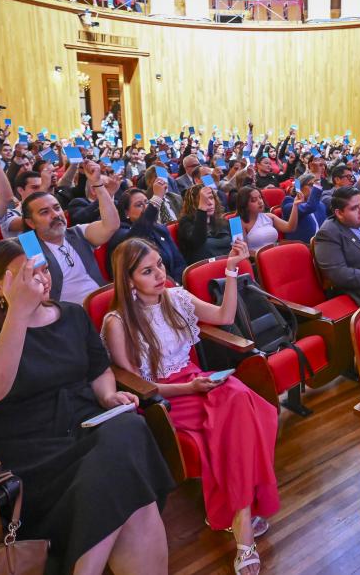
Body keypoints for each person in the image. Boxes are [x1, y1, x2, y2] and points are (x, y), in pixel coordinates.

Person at [0, 240, 174, 574]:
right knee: (134, 497)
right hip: (33, 450)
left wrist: (106, 396)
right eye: (27, 275)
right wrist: (17, 314)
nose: (40, 280)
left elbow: (99, 369)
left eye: (43, 269)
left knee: (129, 425)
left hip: (86, 424)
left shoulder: (71, 314)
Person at [103, 238, 278, 575]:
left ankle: (236, 517)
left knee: (245, 401)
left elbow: (225, 316)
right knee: (238, 412)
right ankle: (243, 525)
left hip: (200, 381)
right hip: (166, 398)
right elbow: (136, 386)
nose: (159, 274)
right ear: (128, 280)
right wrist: (188, 387)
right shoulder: (118, 322)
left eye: (160, 265)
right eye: (147, 270)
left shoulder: (175, 297)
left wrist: (230, 270)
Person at [22, 161, 119, 304]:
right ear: (30, 223)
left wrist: (97, 184)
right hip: (65, 314)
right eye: (44, 212)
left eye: (57, 208)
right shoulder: (29, 244)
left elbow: (111, 225)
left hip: (101, 301)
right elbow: (41, 294)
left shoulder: (77, 232)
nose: (55, 215)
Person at [107, 184, 186, 284]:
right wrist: (156, 199)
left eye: (147, 202)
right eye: (139, 205)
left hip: (173, 285)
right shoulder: (120, 233)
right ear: (126, 213)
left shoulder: (160, 228)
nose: (145, 208)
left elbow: (179, 262)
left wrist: (176, 284)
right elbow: (136, 236)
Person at [235, 185, 302, 253]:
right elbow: (240, 252)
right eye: (254, 200)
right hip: (256, 261)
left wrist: (295, 205)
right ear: (244, 205)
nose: (260, 202)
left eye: (260, 197)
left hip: (276, 254)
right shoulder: (236, 224)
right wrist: (263, 256)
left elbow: (290, 228)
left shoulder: (269, 216)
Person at [177, 184, 232, 264]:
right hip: (205, 270)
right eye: (203, 200)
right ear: (193, 203)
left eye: (211, 198)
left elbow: (234, 244)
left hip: (229, 265)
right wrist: (202, 211)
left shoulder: (221, 220)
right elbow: (197, 242)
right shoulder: (186, 222)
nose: (209, 203)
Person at [280, 173, 325, 243]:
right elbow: (310, 207)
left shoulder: (320, 204)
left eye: (315, 186)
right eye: (311, 185)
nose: (314, 188)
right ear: (300, 188)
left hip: (323, 244)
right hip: (302, 247)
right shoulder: (288, 202)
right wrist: (317, 187)